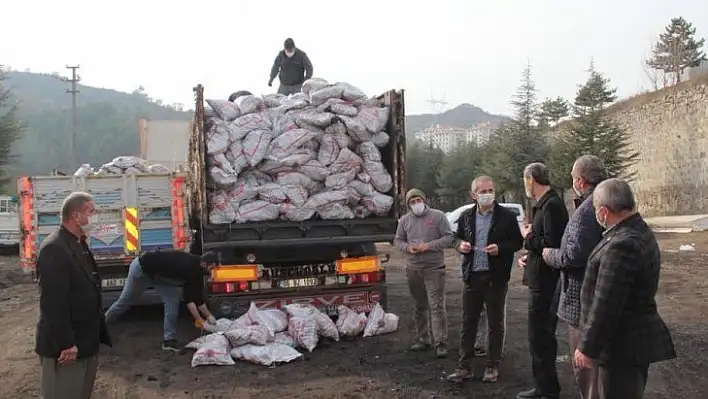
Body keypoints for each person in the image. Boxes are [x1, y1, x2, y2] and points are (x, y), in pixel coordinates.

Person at [575, 178, 676, 398]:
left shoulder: (621, 244)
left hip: (621, 348)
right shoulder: (636, 229)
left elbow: (606, 303)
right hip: (628, 344)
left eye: (595, 210)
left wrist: (587, 347)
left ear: (603, 211)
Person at [35, 192, 112, 399]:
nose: (94, 217)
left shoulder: (79, 243)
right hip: (67, 349)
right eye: (91, 212)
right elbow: (53, 302)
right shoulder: (54, 248)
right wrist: (66, 343)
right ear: (76, 216)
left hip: (85, 342)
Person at [541, 155, 607, 399]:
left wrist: (549, 255)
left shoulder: (587, 210)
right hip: (596, 298)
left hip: (582, 300)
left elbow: (574, 255)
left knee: (587, 372)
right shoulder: (605, 201)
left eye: (572, 178)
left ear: (579, 181)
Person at [447, 176, 523, 383]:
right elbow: (455, 237)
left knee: (495, 324)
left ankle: (492, 365)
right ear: (474, 195)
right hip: (472, 276)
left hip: (495, 277)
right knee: (468, 322)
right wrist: (459, 245)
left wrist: (500, 248)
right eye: (483, 191)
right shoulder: (466, 216)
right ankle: (464, 366)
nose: (487, 194)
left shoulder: (505, 216)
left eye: (490, 190)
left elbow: (517, 241)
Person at [517, 163, 568, 399]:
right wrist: (530, 255)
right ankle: (543, 387)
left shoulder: (552, 206)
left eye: (524, 181)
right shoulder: (544, 205)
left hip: (547, 284)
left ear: (530, 180)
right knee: (537, 338)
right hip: (540, 278)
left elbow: (552, 246)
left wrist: (528, 237)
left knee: (541, 337)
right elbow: (544, 245)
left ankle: (548, 390)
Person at [104, 250, 218, 351]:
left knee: (172, 302)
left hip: (160, 277)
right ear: (204, 264)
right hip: (142, 269)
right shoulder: (189, 268)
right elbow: (189, 300)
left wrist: (208, 316)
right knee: (124, 302)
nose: (211, 272)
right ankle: (100, 327)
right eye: (211, 268)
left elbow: (196, 297)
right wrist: (199, 320)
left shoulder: (197, 268)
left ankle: (168, 341)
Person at [393, 188, 454, 358]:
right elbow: (397, 240)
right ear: (408, 205)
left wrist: (428, 246)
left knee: (436, 306)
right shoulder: (404, 220)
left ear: (424, 200)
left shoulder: (438, 216)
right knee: (420, 305)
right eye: (412, 202)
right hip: (413, 269)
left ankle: (440, 342)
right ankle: (423, 338)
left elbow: (449, 237)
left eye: (418, 200)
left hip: (434, 268)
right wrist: (408, 248)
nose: (416, 204)